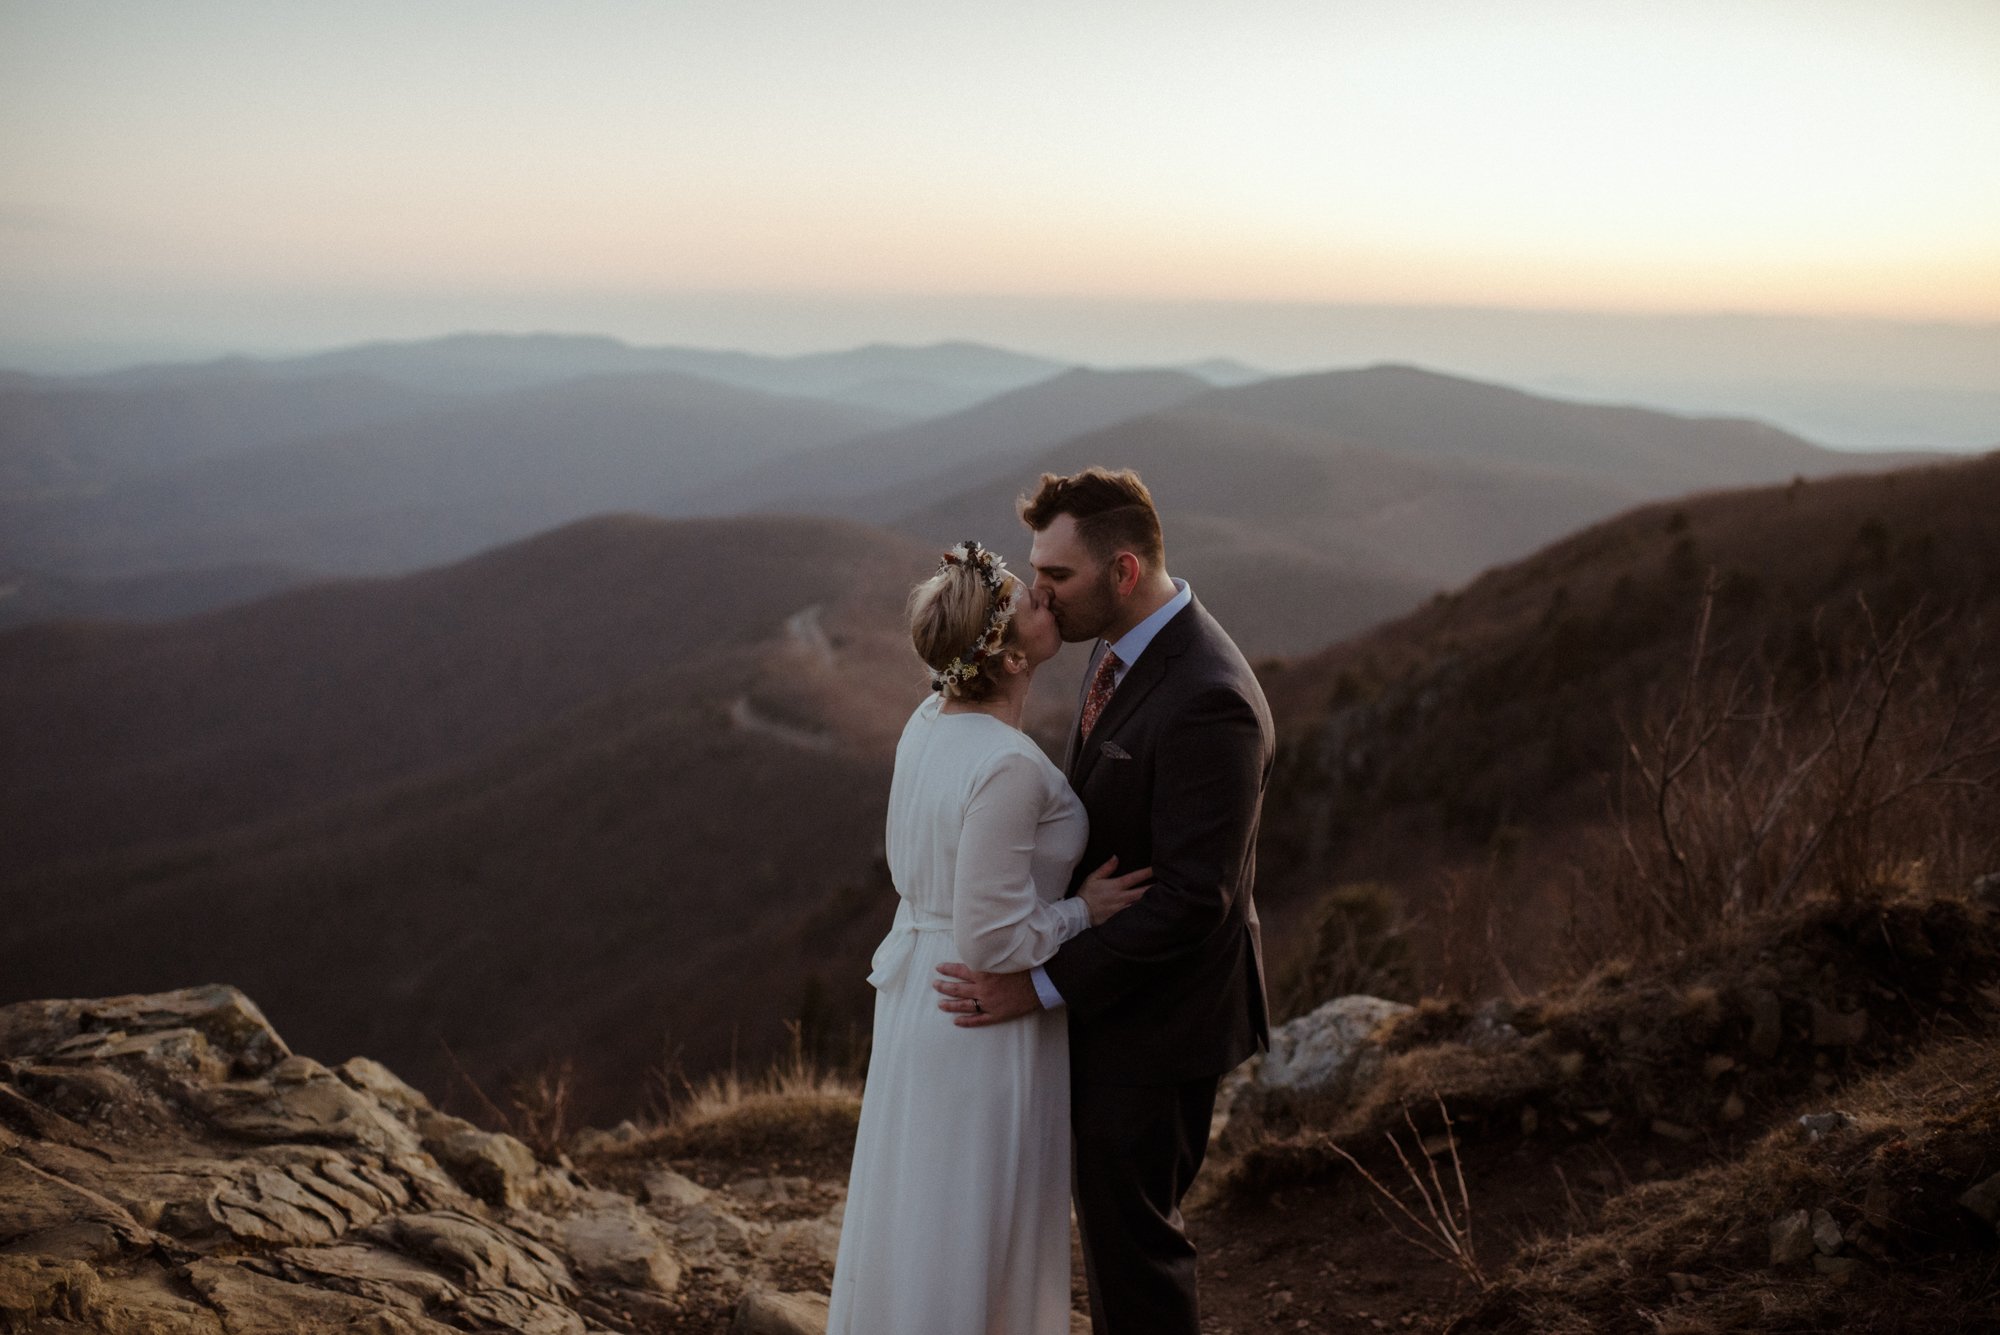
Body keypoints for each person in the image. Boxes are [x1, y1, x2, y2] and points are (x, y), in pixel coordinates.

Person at [934, 468, 1274, 1334]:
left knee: (1137, 1252)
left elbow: (1198, 901)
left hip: (1163, 1022)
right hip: (1113, 1001)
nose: (1036, 595)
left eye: (1056, 578)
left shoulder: (1210, 700)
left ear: (1122, 572)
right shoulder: (1118, 642)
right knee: (1115, 1240)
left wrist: (1040, 983)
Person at [826, 540, 1153, 1335]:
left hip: (917, 1006)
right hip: (980, 1019)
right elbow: (994, 936)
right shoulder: (1006, 764)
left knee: (922, 1218)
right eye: (1029, 600)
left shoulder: (927, 717)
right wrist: (1087, 909)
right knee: (974, 1222)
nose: (1046, 597)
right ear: (1008, 656)